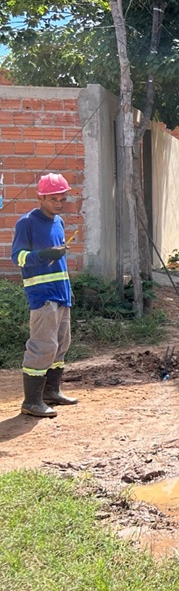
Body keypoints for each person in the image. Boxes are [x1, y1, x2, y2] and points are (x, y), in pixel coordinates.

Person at [11, 173, 78, 418]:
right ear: (40, 197)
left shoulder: (58, 222)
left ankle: (51, 392)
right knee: (42, 346)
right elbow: (17, 257)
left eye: (62, 198)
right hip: (42, 295)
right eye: (53, 199)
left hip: (61, 293)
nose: (58, 203)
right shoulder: (27, 223)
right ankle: (31, 402)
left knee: (60, 344)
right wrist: (44, 255)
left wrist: (68, 290)